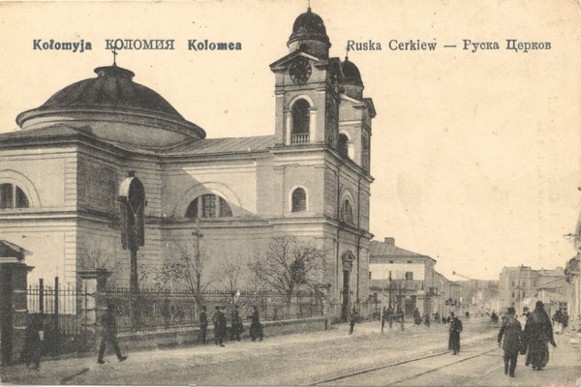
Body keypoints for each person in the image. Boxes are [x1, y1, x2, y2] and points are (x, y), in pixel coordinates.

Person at [524, 301, 556, 370]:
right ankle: (540, 364)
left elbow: (527, 327)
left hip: (533, 337)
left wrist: (526, 336)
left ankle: (534, 363)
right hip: (542, 337)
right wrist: (551, 339)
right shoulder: (544, 314)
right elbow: (549, 327)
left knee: (533, 350)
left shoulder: (532, 314)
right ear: (541, 306)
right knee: (541, 351)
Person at [498, 307, 524, 377]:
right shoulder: (517, 322)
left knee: (506, 356)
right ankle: (511, 373)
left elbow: (501, 332)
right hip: (515, 342)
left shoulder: (505, 322)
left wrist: (499, 341)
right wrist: (522, 342)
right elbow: (520, 334)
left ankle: (506, 366)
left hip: (507, 342)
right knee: (514, 358)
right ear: (514, 313)